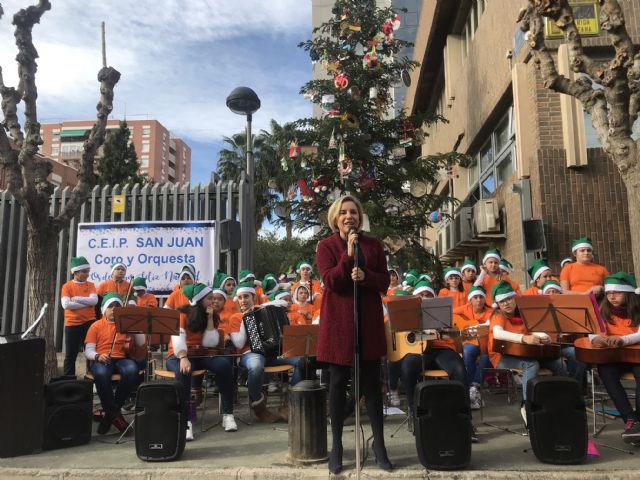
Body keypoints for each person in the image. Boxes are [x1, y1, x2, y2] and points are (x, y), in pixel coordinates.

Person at [316, 195, 392, 474]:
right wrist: (347, 256)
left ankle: (379, 445)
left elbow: (384, 281)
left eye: (354, 212)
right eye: (344, 213)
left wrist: (367, 277)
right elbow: (331, 282)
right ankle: (337, 445)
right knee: (337, 384)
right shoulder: (326, 246)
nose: (350, 217)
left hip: (368, 323)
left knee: (372, 386)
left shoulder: (374, 245)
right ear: (335, 218)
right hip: (338, 325)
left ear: (360, 217)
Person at [488, 281, 566, 425]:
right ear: (498, 304)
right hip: (502, 356)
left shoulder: (523, 313)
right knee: (531, 365)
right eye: (502, 301)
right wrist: (524, 338)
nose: (506, 304)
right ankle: (527, 405)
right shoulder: (498, 315)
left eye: (509, 299)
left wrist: (544, 336)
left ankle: (558, 401)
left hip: (526, 352)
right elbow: (498, 334)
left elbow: (533, 329)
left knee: (560, 365)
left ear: (515, 298)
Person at [166, 283, 237, 441]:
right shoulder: (181, 315)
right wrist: (183, 358)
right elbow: (178, 340)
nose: (213, 301)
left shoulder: (210, 315)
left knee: (224, 365)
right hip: (178, 355)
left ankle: (228, 414)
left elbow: (210, 343)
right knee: (183, 371)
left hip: (200, 354)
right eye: (209, 298)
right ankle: (186, 422)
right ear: (199, 300)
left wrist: (210, 319)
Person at [228, 281, 302, 423]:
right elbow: (238, 343)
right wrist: (246, 319)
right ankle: (258, 405)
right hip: (249, 354)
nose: (243, 300)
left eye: (246, 297)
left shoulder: (263, 311)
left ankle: (289, 402)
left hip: (272, 353)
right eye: (240, 297)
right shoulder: (235, 317)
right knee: (256, 366)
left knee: (301, 360)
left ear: (253, 297)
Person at [589, 272, 640, 444]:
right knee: (606, 372)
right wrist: (595, 339)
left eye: (617, 292)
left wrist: (622, 340)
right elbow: (592, 331)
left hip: (636, 355)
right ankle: (630, 419)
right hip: (614, 356)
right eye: (609, 293)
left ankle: (638, 421)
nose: (612, 296)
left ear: (628, 293)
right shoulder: (603, 310)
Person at [84, 293, 145, 435]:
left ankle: (110, 415)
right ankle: (115, 415)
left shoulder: (125, 324)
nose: (113, 309)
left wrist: (135, 324)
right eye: (110, 307)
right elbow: (88, 350)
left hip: (122, 358)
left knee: (131, 370)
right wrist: (98, 356)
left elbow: (141, 343)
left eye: (117, 306)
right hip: (102, 358)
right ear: (104, 309)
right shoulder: (96, 326)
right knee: (100, 373)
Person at [453, 285, 492, 410]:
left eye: (481, 297)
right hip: (471, 342)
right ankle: (470, 388)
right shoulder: (465, 309)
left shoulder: (490, 312)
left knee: (486, 357)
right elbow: (450, 313)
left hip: (486, 344)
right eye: (475, 297)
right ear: (470, 300)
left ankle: (473, 388)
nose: (479, 300)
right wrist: (463, 325)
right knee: (467, 350)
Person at [61, 256, 98, 376]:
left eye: (88, 271)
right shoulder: (67, 286)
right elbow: (66, 304)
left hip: (90, 323)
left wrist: (77, 299)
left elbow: (94, 301)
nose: (87, 274)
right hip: (72, 324)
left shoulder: (91, 285)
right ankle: (68, 381)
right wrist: (86, 303)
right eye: (84, 271)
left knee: (91, 352)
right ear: (76, 272)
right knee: (70, 355)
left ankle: (92, 378)